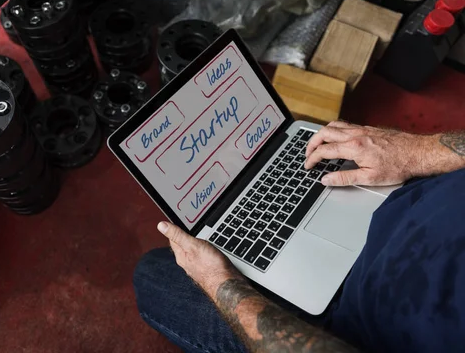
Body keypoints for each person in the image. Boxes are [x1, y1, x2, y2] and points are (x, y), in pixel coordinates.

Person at [133, 121, 465, 353]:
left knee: (154, 274)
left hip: (347, 321)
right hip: (404, 198)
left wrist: (218, 280)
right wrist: (416, 152)